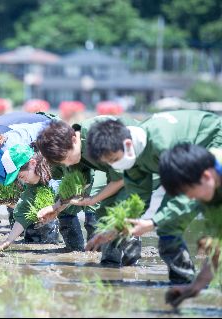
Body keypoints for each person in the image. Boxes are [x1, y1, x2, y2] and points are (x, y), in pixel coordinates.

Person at [84, 110, 222, 284]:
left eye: (114, 159)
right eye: (109, 163)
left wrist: (153, 222)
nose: (114, 166)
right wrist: (116, 227)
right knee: (166, 224)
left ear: (127, 144)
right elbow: (137, 199)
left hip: (212, 138)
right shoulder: (133, 156)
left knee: (174, 217)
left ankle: (189, 282)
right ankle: (183, 282)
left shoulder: (162, 146)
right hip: (186, 157)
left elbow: (185, 194)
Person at [35, 118, 142, 265]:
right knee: (105, 213)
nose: (67, 163)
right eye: (62, 162)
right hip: (118, 172)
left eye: (66, 158)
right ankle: (109, 266)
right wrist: (55, 208)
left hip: (140, 163)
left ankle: (131, 260)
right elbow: (77, 184)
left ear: (74, 139)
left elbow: (121, 179)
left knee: (121, 208)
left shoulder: (97, 136)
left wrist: (94, 199)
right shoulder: (72, 152)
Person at [158, 143, 222, 307]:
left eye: (190, 193)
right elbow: (218, 251)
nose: (191, 199)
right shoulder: (210, 193)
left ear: (206, 177)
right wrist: (196, 286)